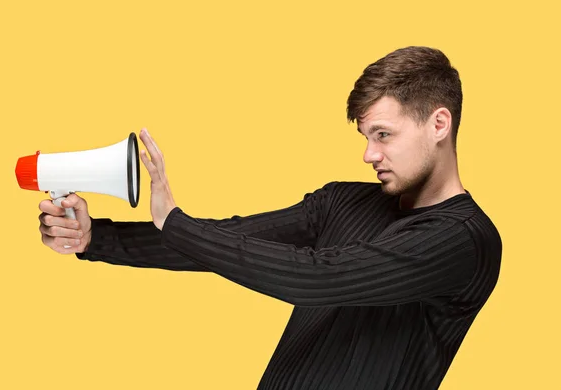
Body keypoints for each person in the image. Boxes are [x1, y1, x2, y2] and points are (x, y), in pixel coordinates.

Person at [38, 46, 502, 390]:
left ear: (439, 124)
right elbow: (224, 242)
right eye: (365, 136)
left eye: (383, 134)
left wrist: (177, 221)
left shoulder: (465, 241)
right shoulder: (340, 202)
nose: (368, 154)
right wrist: (94, 238)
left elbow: (320, 278)